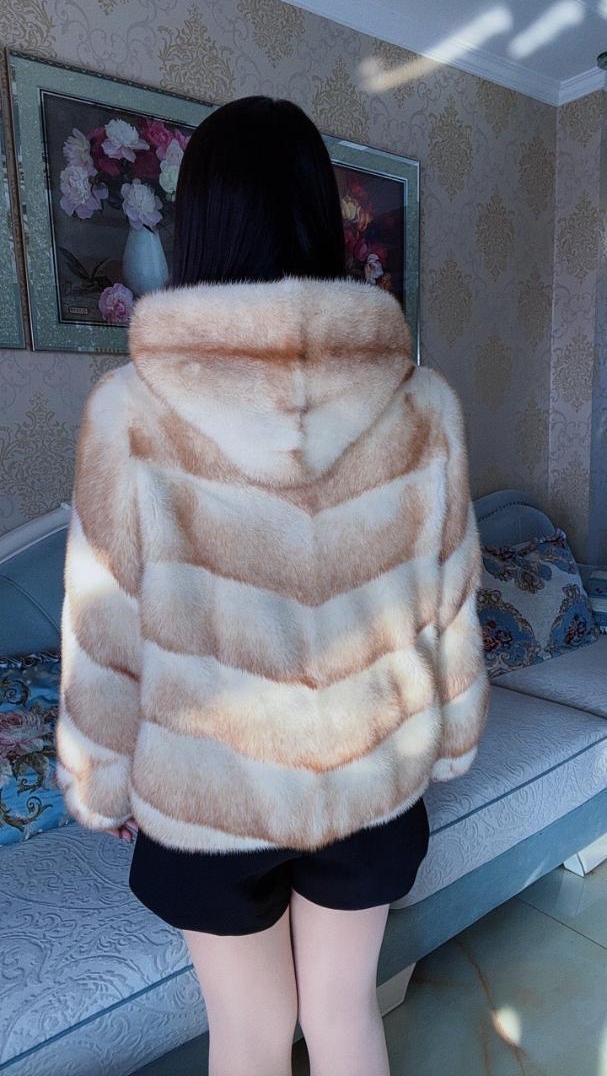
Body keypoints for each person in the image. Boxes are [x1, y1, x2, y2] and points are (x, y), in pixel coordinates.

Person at [54, 95, 490, 1076]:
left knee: (249, 1037)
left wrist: (104, 776)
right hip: (369, 772)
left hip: (209, 785)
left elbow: (102, 616)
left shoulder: (132, 409)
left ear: (197, 224)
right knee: (345, 1017)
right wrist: (449, 732)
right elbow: (448, 592)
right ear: (319, 215)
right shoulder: (418, 404)